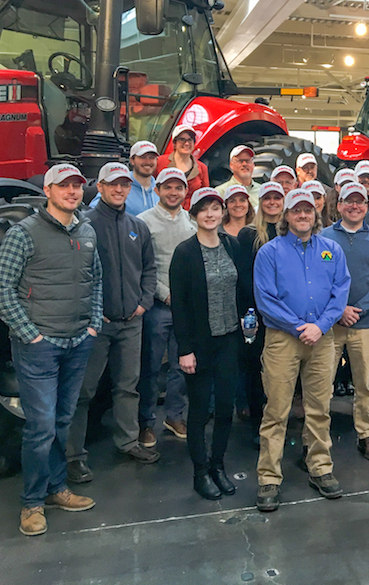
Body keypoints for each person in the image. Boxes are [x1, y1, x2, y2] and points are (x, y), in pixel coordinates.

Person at [0, 163, 102, 537]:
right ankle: (32, 502)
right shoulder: (24, 233)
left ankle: (57, 489)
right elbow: (2, 289)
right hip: (40, 346)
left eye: (77, 186)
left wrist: (93, 324)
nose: (73, 192)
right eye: (64, 186)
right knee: (40, 428)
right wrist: (30, 334)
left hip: (77, 341)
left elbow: (96, 280)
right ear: (49, 190)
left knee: (61, 422)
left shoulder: (86, 232)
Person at [254, 189, 351, 508]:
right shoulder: (269, 252)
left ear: (317, 214)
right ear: (286, 216)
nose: (303, 215)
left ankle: (320, 467)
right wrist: (299, 327)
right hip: (283, 339)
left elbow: (340, 291)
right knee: (276, 409)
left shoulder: (332, 250)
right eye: (296, 211)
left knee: (319, 407)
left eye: (308, 210)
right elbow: (265, 299)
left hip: (322, 339)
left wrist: (320, 326)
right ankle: (269, 476)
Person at [66, 162, 159, 483]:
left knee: (127, 385)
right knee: (83, 390)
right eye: (112, 184)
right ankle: (73, 456)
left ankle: (128, 441)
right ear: (101, 188)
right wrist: (93, 310)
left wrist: (144, 302)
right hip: (97, 325)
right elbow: (76, 275)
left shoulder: (138, 227)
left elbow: (149, 269)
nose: (119, 189)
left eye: (124, 184)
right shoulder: (85, 225)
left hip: (131, 322)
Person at [170, 187, 252, 500]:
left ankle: (218, 465)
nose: (210, 214)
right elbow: (180, 305)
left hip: (229, 338)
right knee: (200, 410)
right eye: (204, 209)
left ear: (223, 213)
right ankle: (200, 471)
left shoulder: (232, 245)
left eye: (215, 208)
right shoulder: (185, 252)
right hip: (200, 343)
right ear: (194, 215)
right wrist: (184, 349)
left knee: (225, 407)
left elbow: (242, 288)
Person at [320, 182, 369, 461]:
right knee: (322, 383)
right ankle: (317, 439)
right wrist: (339, 311)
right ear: (338, 206)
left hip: (365, 324)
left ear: (367, 207)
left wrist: (357, 309)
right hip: (330, 325)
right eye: (348, 201)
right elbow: (319, 280)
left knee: (364, 384)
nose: (354, 206)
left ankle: (366, 434)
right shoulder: (324, 238)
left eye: (360, 202)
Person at [136, 168, 196, 450]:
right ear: (157, 189)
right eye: (167, 187)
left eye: (178, 188)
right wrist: (164, 293)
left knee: (181, 365)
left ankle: (175, 417)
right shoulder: (143, 223)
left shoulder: (191, 223)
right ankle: (145, 422)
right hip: (157, 307)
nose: (173, 192)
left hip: (186, 309)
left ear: (186, 192)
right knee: (149, 367)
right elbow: (142, 267)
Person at [237, 181, 286, 436]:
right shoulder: (248, 234)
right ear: (260, 202)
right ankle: (258, 420)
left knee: (281, 368)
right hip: (256, 312)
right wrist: (260, 307)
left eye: (277, 198)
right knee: (256, 366)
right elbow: (244, 276)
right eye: (267, 198)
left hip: (285, 313)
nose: (272, 202)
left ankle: (279, 419)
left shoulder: (291, 233)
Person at [88, 140, 158, 215]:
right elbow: (95, 211)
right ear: (132, 160)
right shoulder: (120, 185)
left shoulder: (162, 188)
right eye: (142, 157)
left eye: (152, 158)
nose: (148, 162)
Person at [156, 124, 210, 209]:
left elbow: (205, 196)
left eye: (190, 140)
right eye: (182, 140)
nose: (187, 143)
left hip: (191, 216)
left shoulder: (202, 168)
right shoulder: (160, 162)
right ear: (174, 143)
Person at [216, 145, 262, 209]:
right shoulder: (220, 192)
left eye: (247, 161)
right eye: (240, 161)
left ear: (253, 164)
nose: (244, 164)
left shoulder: (262, 191)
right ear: (231, 165)